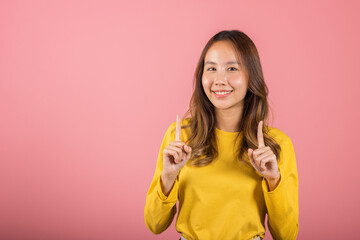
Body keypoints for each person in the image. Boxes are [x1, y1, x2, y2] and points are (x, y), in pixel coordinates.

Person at [144, 30, 299, 240]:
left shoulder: (277, 146)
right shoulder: (179, 138)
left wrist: (273, 180)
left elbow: (287, 235)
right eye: (212, 69)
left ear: (251, 76)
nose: (219, 80)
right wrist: (168, 177)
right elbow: (155, 224)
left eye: (232, 68)